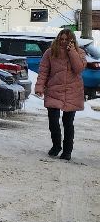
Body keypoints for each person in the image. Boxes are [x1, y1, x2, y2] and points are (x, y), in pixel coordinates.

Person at [35, 29, 86, 160]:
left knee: (68, 122)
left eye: (67, 40)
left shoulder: (79, 52)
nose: (63, 42)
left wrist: (72, 52)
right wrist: (40, 87)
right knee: (53, 121)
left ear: (72, 40)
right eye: (61, 39)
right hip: (54, 90)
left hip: (72, 91)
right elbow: (43, 72)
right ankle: (56, 146)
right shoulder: (50, 52)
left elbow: (79, 68)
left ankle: (67, 151)